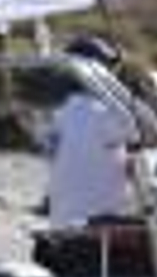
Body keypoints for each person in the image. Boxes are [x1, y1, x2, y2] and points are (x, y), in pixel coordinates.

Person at [45, 35, 140, 229]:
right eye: (109, 67)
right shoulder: (105, 113)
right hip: (99, 225)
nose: (114, 74)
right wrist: (155, 90)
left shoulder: (60, 114)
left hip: (62, 222)